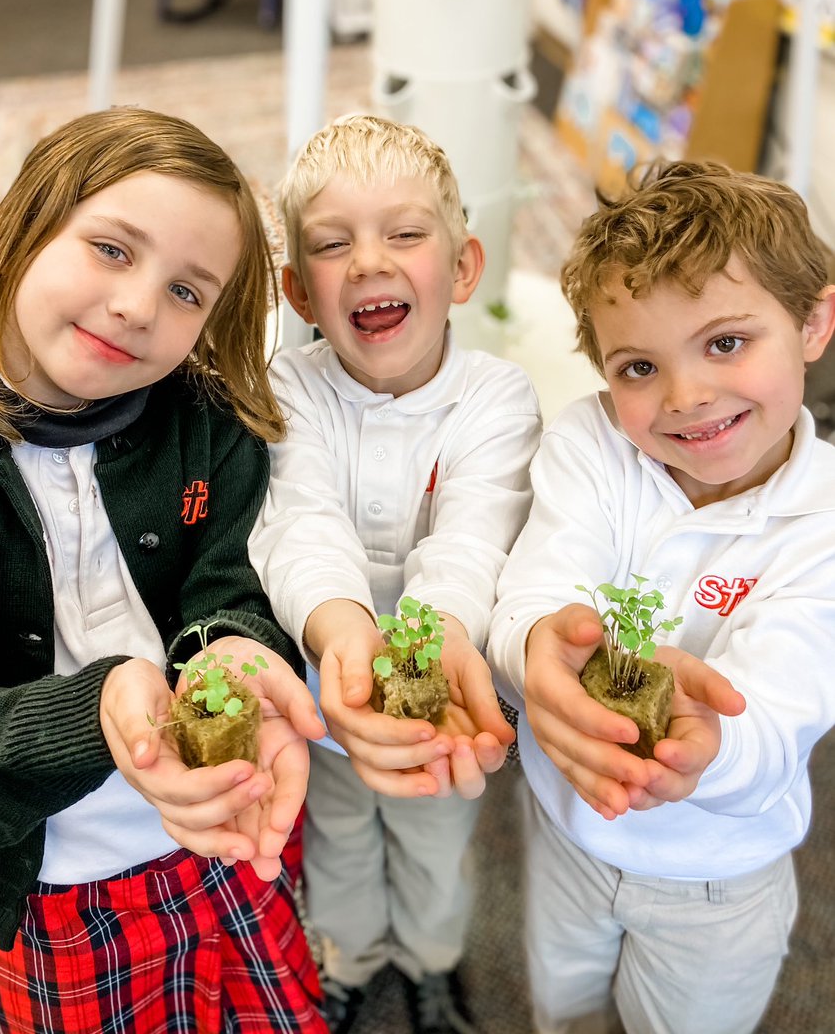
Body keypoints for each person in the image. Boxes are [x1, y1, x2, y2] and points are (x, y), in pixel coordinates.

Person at [0, 108, 328, 1034]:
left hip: (232, 838)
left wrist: (230, 647)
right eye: (112, 249)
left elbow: (227, 586)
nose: (140, 306)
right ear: (26, 223)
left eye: (189, 292)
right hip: (54, 896)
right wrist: (100, 710)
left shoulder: (211, 423)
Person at [488, 160, 835, 1034]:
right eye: (639, 365)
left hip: (717, 875)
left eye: (725, 342)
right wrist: (539, 643)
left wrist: (709, 742)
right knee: (559, 1006)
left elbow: (784, 701)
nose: (686, 397)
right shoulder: (592, 445)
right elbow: (541, 583)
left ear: (814, 321)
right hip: (566, 830)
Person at [248, 115, 541, 1034]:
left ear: (461, 269)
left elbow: (473, 537)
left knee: (435, 842)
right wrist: (344, 642)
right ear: (299, 289)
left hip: (444, 701)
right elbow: (298, 522)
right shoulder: (288, 388)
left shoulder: (498, 398)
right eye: (334, 245)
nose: (370, 261)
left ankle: (431, 962)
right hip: (326, 693)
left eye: (405, 233)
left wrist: (430, 644)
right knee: (334, 838)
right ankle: (351, 957)